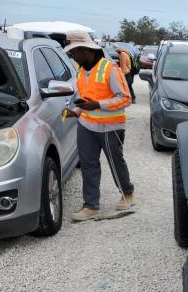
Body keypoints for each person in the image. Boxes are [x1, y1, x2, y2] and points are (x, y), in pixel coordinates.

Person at [63, 31, 137, 222]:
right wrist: (76, 111)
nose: (72, 56)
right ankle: (91, 206)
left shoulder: (110, 69)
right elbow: (85, 99)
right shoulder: (80, 71)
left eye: (74, 53)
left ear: (85, 50)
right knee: (88, 165)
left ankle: (127, 194)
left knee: (115, 162)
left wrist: (98, 105)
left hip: (110, 127)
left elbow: (125, 98)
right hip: (87, 125)